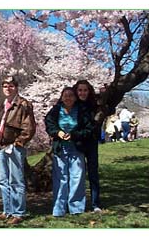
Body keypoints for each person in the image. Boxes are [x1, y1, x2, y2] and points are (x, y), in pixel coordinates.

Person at [45, 86, 94, 217]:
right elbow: (49, 124)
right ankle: (59, 209)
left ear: (75, 97)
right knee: (60, 178)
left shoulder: (82, 111)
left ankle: (76, 208)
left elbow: (88, 129)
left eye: (71, 95)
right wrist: (58, 133)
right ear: (61, 97)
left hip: (76, 147)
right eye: (65, 95)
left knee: (77, 177)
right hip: (60, 147)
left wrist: (74, 135)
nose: (68, 98)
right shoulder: (55, 110)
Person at [0, 76, 36, 225]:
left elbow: (29, 127)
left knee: (16, 181)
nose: (8, 88)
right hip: (2, 146)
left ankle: (18, 212)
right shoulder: (4, 104)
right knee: (3, 181)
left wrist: (19, 142)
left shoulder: (23, 104)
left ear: (16, 87)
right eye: (5, 85)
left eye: (11, 85)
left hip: (14, 146)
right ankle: (7, 210)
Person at [72, 80, 102, 213]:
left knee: (93, 172)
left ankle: (96, 203)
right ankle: (76, 204)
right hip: (76, 142)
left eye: (85, 90)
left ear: (89, 91)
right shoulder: (72, 105)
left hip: (91, 142)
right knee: (76, 174)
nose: (82, 93)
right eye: (80, 90)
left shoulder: (94, 105)